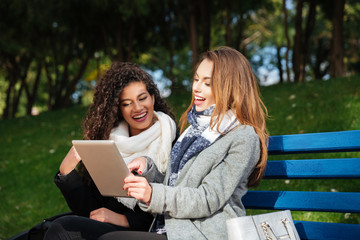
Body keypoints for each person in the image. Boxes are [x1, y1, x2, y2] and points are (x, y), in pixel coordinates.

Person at [97, 46, 269, 240]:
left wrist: (152, 194)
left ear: (230, 87)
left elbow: (208, 198)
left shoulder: (242, 136)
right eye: (196, 79)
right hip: (168, 228)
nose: (196, 87)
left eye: (207, 83)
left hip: (202, 233)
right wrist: (148, 168)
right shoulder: (194, 129)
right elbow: (176, 184)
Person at [44, 62, 177, 239]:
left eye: (142, 98)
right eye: (127, 103)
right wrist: (66, 173)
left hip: (146, 230)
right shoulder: (110, 143)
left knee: (63, 228)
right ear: (119, 109)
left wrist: (123, 219)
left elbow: (174, 202)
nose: (137, 108)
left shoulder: (172, 140)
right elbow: (92, 210)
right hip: (108, 227)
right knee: (46, 230)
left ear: (153, 98)